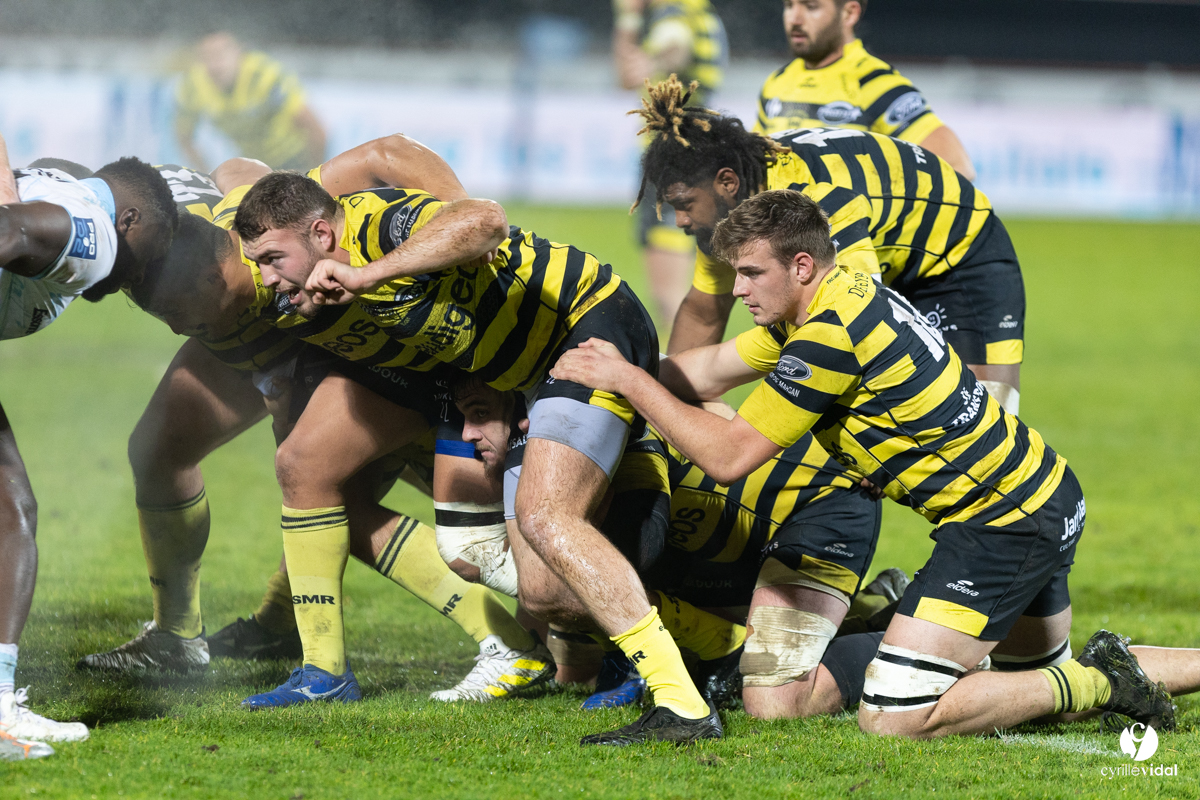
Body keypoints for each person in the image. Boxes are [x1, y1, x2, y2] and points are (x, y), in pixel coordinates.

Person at [550, 189, 1200, 739]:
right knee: (1023, 679)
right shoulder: (842, 299)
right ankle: (1106, 670)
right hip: (1042, 495)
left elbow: (728, 456)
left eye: (750, 274)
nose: (737, 289)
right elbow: (709, 368)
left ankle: (1098, 680)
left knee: (894, 717)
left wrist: (629, 385)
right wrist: (607, 376)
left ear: (801, 265)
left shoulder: (829, 335)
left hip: (1004, 523)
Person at [232, 172, 719, 745]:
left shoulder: (379, 225)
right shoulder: (316, 297)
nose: (267, 278)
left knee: (545, 516)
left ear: (320, 232)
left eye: (271, 258)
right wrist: (482, 397)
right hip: (524, 381)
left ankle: (682, 704)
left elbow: (485, 220)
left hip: (589, 327)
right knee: (545, 595)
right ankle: (717, 641)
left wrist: (369, 273)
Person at [79, 139, 551, 703]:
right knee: (167, 453)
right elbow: (231, 170)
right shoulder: (187, 260)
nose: (176, 329)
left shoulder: (273, 243)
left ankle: (532, 628)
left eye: (177, 312)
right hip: (283, 360)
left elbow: (387, 153)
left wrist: (455, 221)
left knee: (342, 487)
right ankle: (185, 637)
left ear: (214, 272)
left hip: (389, 359)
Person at [452, 377, 899, 720]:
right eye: (462, 418)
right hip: (718, 550)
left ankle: (914, 643)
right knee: (573, 652)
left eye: (479, 414)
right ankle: (877, 610)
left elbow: (639, 544)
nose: (467, 435)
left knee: (774, 700)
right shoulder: (534, 455)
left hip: (814, 511)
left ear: (528, 415)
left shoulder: (600, 419)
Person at [635, 77, 1024, 414]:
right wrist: (661, 393)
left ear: (727, 183)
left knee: (981, 420)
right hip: (890, 256)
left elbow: (859, 319)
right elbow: (704, 313)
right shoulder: (727, 214)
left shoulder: (808, 201)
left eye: (684, 206)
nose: (681, 222)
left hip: (963, 253)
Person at [1, 133, 177, 757]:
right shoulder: (96, 236)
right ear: (130, 220)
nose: (142, 278)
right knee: (10, 518)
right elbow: (9, 233)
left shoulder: (66, 186)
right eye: (151, 254)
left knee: (10, 510)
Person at [755, 0, 974, 181]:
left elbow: (958, 167)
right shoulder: (776, 82)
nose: (795, 19)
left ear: (849, 14)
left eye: (811, 7)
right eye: (789, 6)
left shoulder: (875, 83)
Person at [613, 0, 727, 324]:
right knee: (672, 293)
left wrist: (652, 57)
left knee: (671, 296)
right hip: (686, 154)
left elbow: (674, 45)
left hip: (678, 158)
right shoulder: (699, 12)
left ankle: (681, 369)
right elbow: (627, 76)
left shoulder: (676, 11)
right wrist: (629, 17)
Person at [176, 32, 326, 172]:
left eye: (221, 55)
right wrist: (206, 177)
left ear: (239, 53)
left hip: (292, 157)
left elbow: (315, 129)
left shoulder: (265, 76)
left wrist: (313, 178)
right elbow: (184, 137)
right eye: (207, 57)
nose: (215, 65)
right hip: (253, 164)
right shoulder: (192, 85)